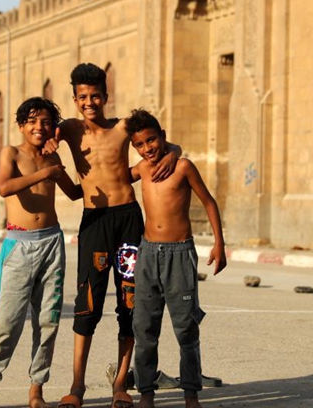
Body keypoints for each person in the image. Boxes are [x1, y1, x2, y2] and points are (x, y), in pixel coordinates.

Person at [43, 63, 180, 408]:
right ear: (75, 99)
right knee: (87, 303)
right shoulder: (69, 130)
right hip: (94, 222)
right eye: (82, 97)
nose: (90, 102)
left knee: (130, 301)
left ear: (106, 96)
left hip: (128, 221)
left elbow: (165, 142)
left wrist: (173, 154)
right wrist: (50, 151)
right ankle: (77, 386)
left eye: (95, 96)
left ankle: (121, 382)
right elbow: (45, 145)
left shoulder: (122, 127)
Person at [0, 97, 83, 408]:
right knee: (6, 320)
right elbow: (4, 187)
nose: (38, 127)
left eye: (45, 122)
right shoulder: (12, 153)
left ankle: (36, 391)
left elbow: (75, 193)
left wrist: (65, 167)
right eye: (32, 121)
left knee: (48, 321)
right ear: (21, 126)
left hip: (51, 243)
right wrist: (44, 174)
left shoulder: (51, 158)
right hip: (18, 245)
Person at [125, 109, 227, 408]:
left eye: (152, 140)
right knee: (144, 328)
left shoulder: (182, 167)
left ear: (163, 136)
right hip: (147, 254)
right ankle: (146, 393)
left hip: (179, 254)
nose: (148, 148)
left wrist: (219, 243)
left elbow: (209, 202)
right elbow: (114, 174)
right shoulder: (141, 169)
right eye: (140, 145)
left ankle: (191, 393)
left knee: (186, 328)